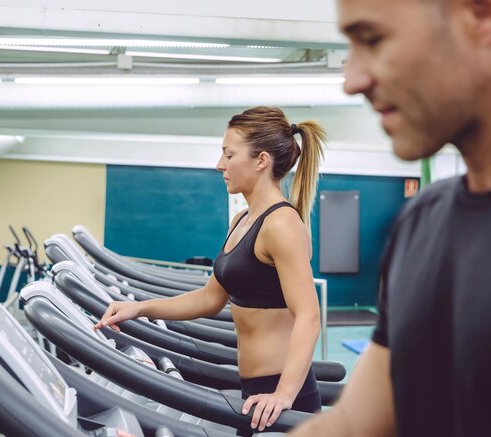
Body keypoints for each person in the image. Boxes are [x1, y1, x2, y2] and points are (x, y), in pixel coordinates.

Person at [290, 0, 491, 436]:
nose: (351, 80)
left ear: (480, 16)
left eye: (373, 39)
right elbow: (355, 423)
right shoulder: (424, 222)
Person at [95, 106, 327, 433]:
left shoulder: (281, 224)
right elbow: (210, 298)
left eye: (229, 155)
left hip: (281, 396)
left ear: (261, 160)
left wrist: (284, 394)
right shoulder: (241, 221)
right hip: (255, 391)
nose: (220, 165)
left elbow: (308, 315)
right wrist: (139, 308)